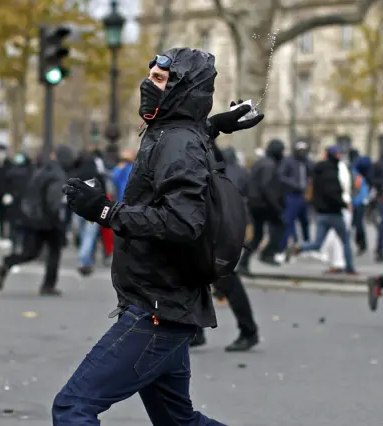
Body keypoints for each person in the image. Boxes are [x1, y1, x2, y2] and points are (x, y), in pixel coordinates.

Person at [57, 48, 263, 425]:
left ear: (181, 91)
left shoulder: (176, 140)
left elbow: (183, 222)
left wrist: (104, 211)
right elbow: (184, 142)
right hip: (168, 305)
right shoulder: (174, 133)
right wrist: (214, 124)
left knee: (72, 409)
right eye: (149, 75)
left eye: (159, 80)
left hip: (157, 309)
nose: (147, 85)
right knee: (178, 422)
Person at [191, 145, 259, 352]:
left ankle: (248, 331)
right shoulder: (216, 163)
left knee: (226, 280)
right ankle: (196, 331)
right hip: (213, 228)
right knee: (195, 279)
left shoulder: (204, 157)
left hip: (214, 231)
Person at [0, 145, 75, 296]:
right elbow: (54, 199)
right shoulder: (59, 175)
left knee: (29, 252)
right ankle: (48, 285)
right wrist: (59, 217)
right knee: (54, 251)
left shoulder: (41, 171)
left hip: (32, 217)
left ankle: (7, 263)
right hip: (49, 219)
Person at [291, 146, 357, 275]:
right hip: (335, 213)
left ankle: (300, 247)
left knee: (318, 242)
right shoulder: (333, 171)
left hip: (321, 213)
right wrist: (344, 204)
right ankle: (349, 268)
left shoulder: (317, 170)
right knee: (345, 241)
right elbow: (335, 192)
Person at [237, 139, 286, 275]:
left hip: (254, 203)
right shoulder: (270, 165)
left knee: (257, 236)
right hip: (264, 204)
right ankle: (267, 254)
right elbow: (267, 187)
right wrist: (276, 206)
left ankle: (243, 263)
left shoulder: (260, 163)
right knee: (280, 226)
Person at [278, 141, 312, 251]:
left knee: (305, 221)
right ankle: (285, 245)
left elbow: (312, 174)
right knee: (289, 220)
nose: (302, 153)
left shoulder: (307, 162)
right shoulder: (289, 161)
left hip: (303, 195)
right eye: (300, 151)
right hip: (292, 195)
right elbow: (281, 176)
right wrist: (294, 184)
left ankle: (307, 244)